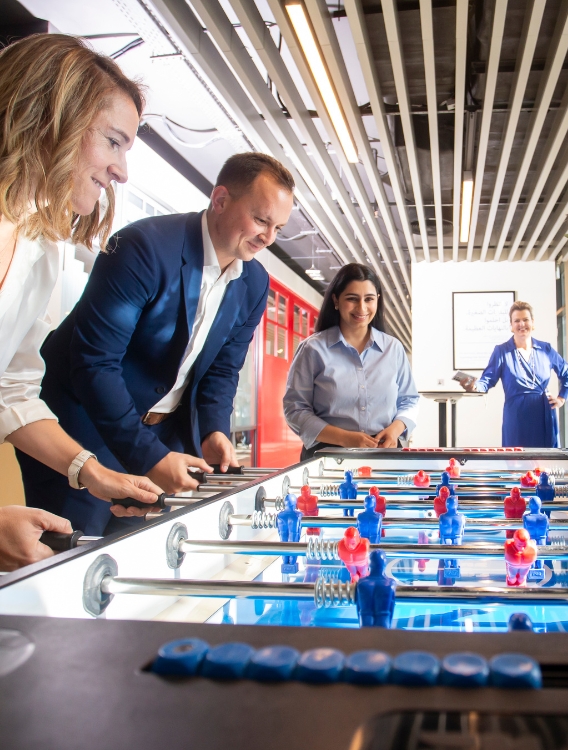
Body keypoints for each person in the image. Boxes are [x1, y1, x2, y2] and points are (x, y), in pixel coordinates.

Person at [19, 151, 294, 536]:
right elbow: (94, 363)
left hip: (163, 431)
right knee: (77, 547)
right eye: (261, 219)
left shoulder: (254, 283)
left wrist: (213, 430)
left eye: (278, 228)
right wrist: (150, 457)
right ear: (220, 200)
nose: (268, 237)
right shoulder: (142, 247)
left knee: (137, 544)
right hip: (84, 425)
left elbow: (222, 370)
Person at [0, 34, 164, 568]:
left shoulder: (40, 244)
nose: (121, 171)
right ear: (52, 116)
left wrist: (92, 472)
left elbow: (12, 390)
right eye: (113, 142)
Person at [284, 263, 419, 458]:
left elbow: (410, 399)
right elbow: (295, 408)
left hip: (384, 453)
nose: (362, 308)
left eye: (369, 299)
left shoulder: (393, 348)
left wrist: (396, 429)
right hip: (326, 454)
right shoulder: (313, 349)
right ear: (336, 300)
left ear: (377, 301)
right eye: (352, 299)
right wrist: (345, 438)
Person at [459, 301, 568, 447]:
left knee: (545, 463)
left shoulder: (545, 349)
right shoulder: (501, 351)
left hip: (543, 413)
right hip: (516, 416)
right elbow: (486, 380)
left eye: (525, 319)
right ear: (511, 326)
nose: (522, 324)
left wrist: (561, 398)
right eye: (517, 321)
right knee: (516, 463)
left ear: (532, 322)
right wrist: (474, 386)